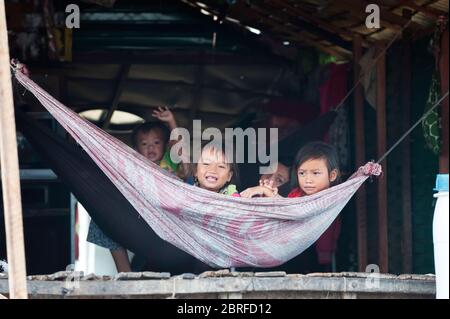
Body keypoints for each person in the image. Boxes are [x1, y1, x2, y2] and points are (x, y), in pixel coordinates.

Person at [87, 107, 180, 273]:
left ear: (165, 146)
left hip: (164, 222)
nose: (150, 148)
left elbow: (178, 146)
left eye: (156, 143)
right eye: (144, 144)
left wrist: (172, 122)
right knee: (101, 218)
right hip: (139, 219)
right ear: (136, 150)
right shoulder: (134, 168)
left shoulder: (169, 163)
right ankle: (125, 272)